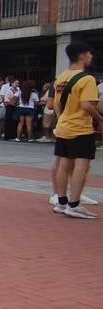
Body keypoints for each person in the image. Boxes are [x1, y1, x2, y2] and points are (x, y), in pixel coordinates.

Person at [51, 42, 102, 219]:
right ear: (82, 56)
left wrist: (61, 118)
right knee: (82, 164)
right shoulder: (87, 79)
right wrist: (100, 119)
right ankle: (74, 204)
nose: (91, 57)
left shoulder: (62, 77)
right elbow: (87, 104)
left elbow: (56, 104)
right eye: (90, 54)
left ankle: (61, 202)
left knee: (64, 164)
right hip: (80, 127)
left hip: (64, 126)